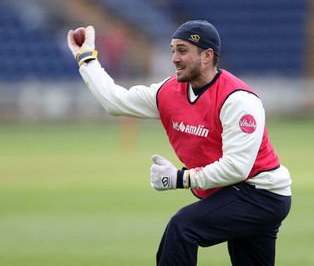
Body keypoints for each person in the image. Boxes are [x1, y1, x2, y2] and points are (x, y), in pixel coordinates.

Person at [68, 20, 292, 266]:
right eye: (173, 50)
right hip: (234, 192)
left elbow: (237, 167)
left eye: (182, 50)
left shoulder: (238, 100)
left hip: (261, 194)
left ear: (207, 56)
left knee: (183, 227)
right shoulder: (168, 91)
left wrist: (180, 178)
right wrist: (86, 59)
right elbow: (115, 102)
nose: (174, 58)